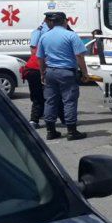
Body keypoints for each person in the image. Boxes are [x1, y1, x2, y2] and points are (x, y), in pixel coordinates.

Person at [37, 12, 89, 141]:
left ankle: (50, 131)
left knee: (50, 101)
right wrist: (85, 72)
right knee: (69, 101)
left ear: (53, 22)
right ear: (65, 22)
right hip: (66, 72)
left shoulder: (45, 36)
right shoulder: (71, 35)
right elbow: (79, 56)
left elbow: (40, 57)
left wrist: (42, 73)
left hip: (50, 72)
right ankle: (71, 131)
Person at [23, 17, 65, 129]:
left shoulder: (40, 34)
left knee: (38, 98)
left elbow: (34, 52)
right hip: (41, 69)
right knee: (55, 96)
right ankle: (65, 120)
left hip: (30, 69)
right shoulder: (52, 38)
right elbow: (44, 59)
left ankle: (34, 121)